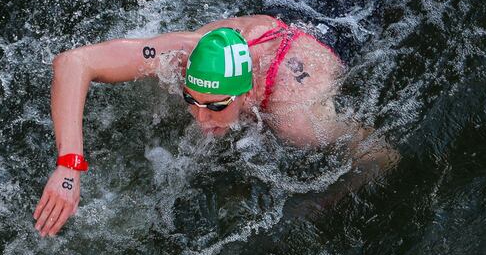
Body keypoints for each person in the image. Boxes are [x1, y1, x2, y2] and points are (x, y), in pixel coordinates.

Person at [33, 15, 398, 237]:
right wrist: (69, 165)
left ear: (247, 92)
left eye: (216, 106)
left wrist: (324, 202)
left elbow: (383, 155)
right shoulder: (185, 53)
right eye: (191, 100)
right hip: (286, 12)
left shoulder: (296, 117)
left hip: (340, 28)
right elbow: (73, 62)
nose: (201, 118)